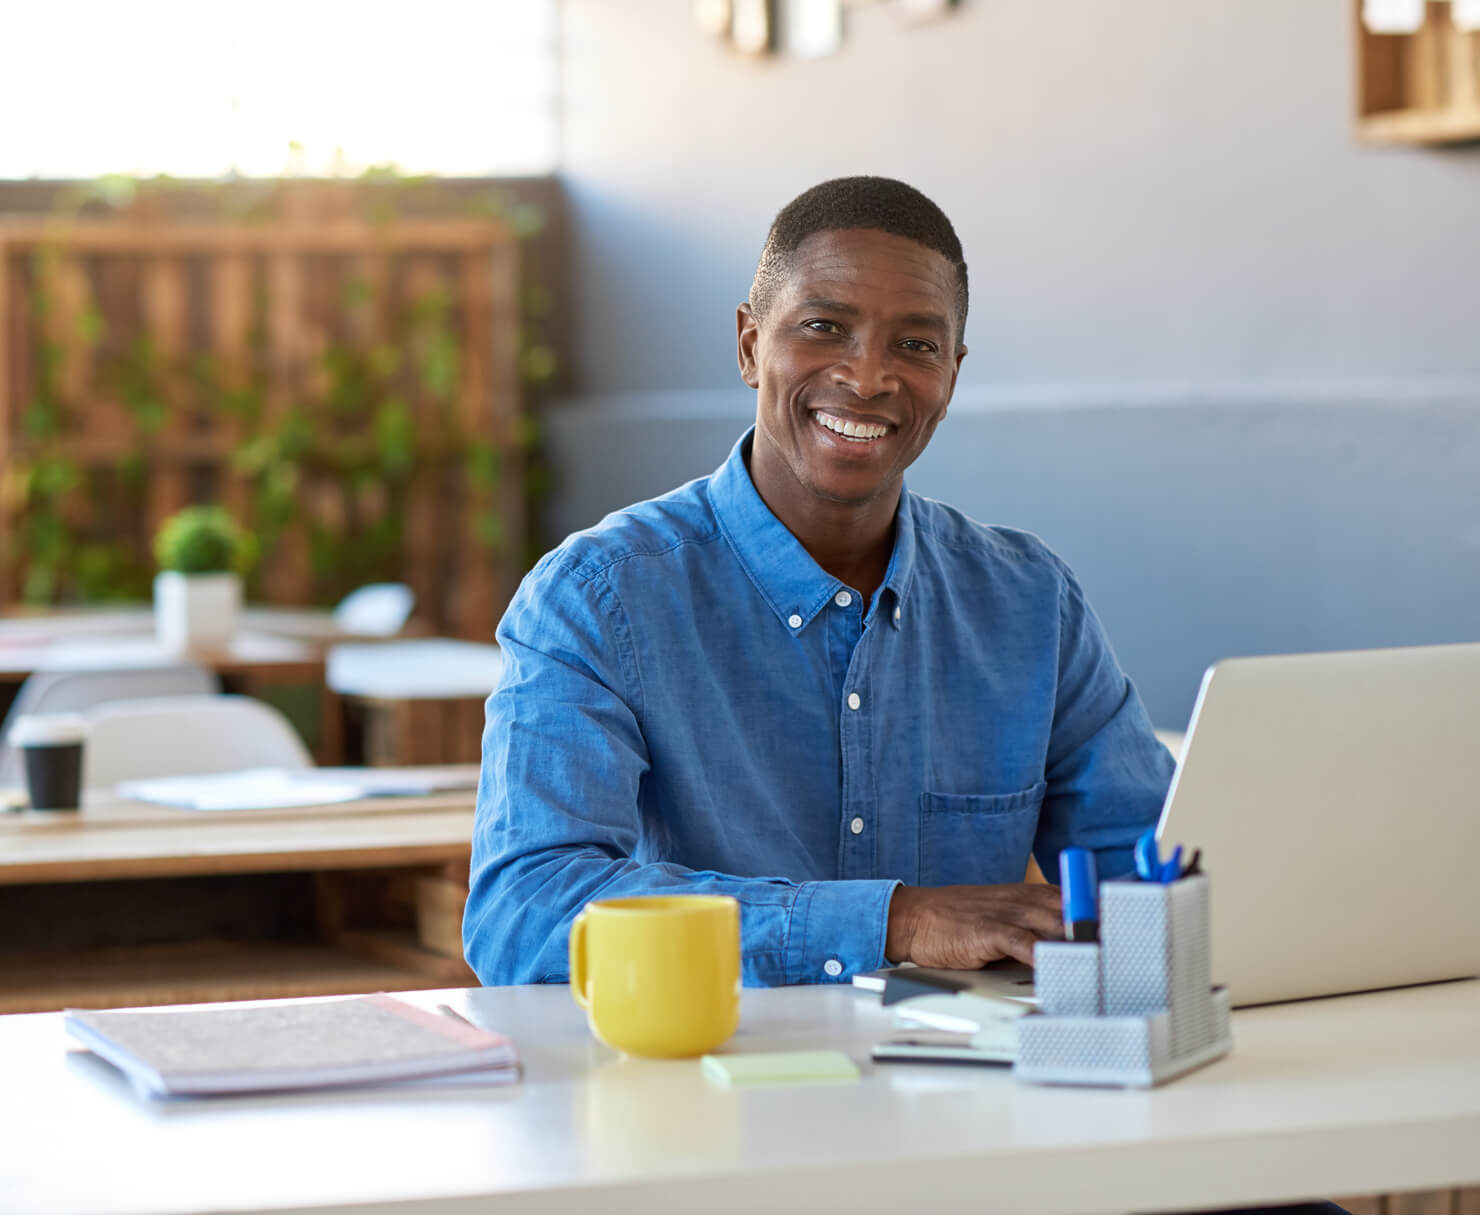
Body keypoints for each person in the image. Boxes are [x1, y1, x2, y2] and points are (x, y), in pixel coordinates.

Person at [466, 175, 1175, 987]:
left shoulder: (1029, 602)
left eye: (916, 344)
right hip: (704, 1087)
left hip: (971, 1091)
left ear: (953, 371)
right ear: (748, 344)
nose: (869, 376)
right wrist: (898, 918)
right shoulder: (598, 597)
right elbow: (523, 915)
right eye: (823, 327)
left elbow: (1148, 868)